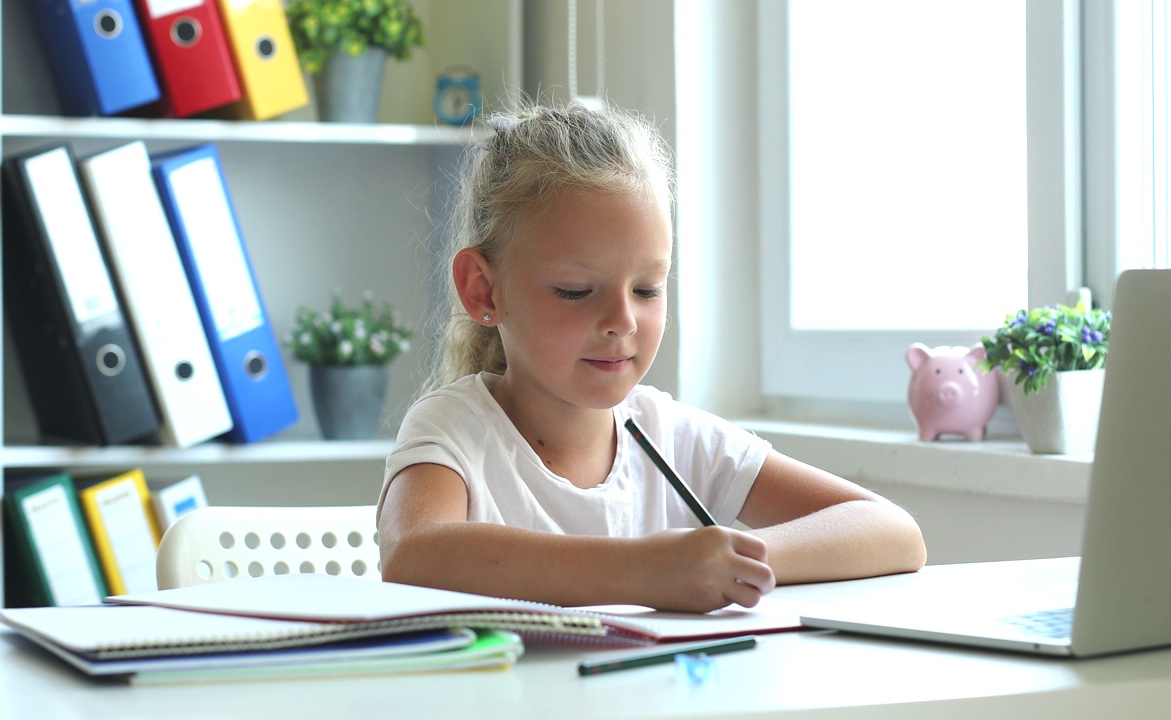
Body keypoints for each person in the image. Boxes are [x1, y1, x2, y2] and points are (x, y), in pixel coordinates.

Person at [377, 103, 926, 613]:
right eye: (574, 290)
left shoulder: (673, 437)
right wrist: (642, 572)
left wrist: (728, 563)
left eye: (647, 289)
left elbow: (893, 531)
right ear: (484, 290)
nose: (623, 321)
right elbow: (413, 553)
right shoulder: (453, 430)